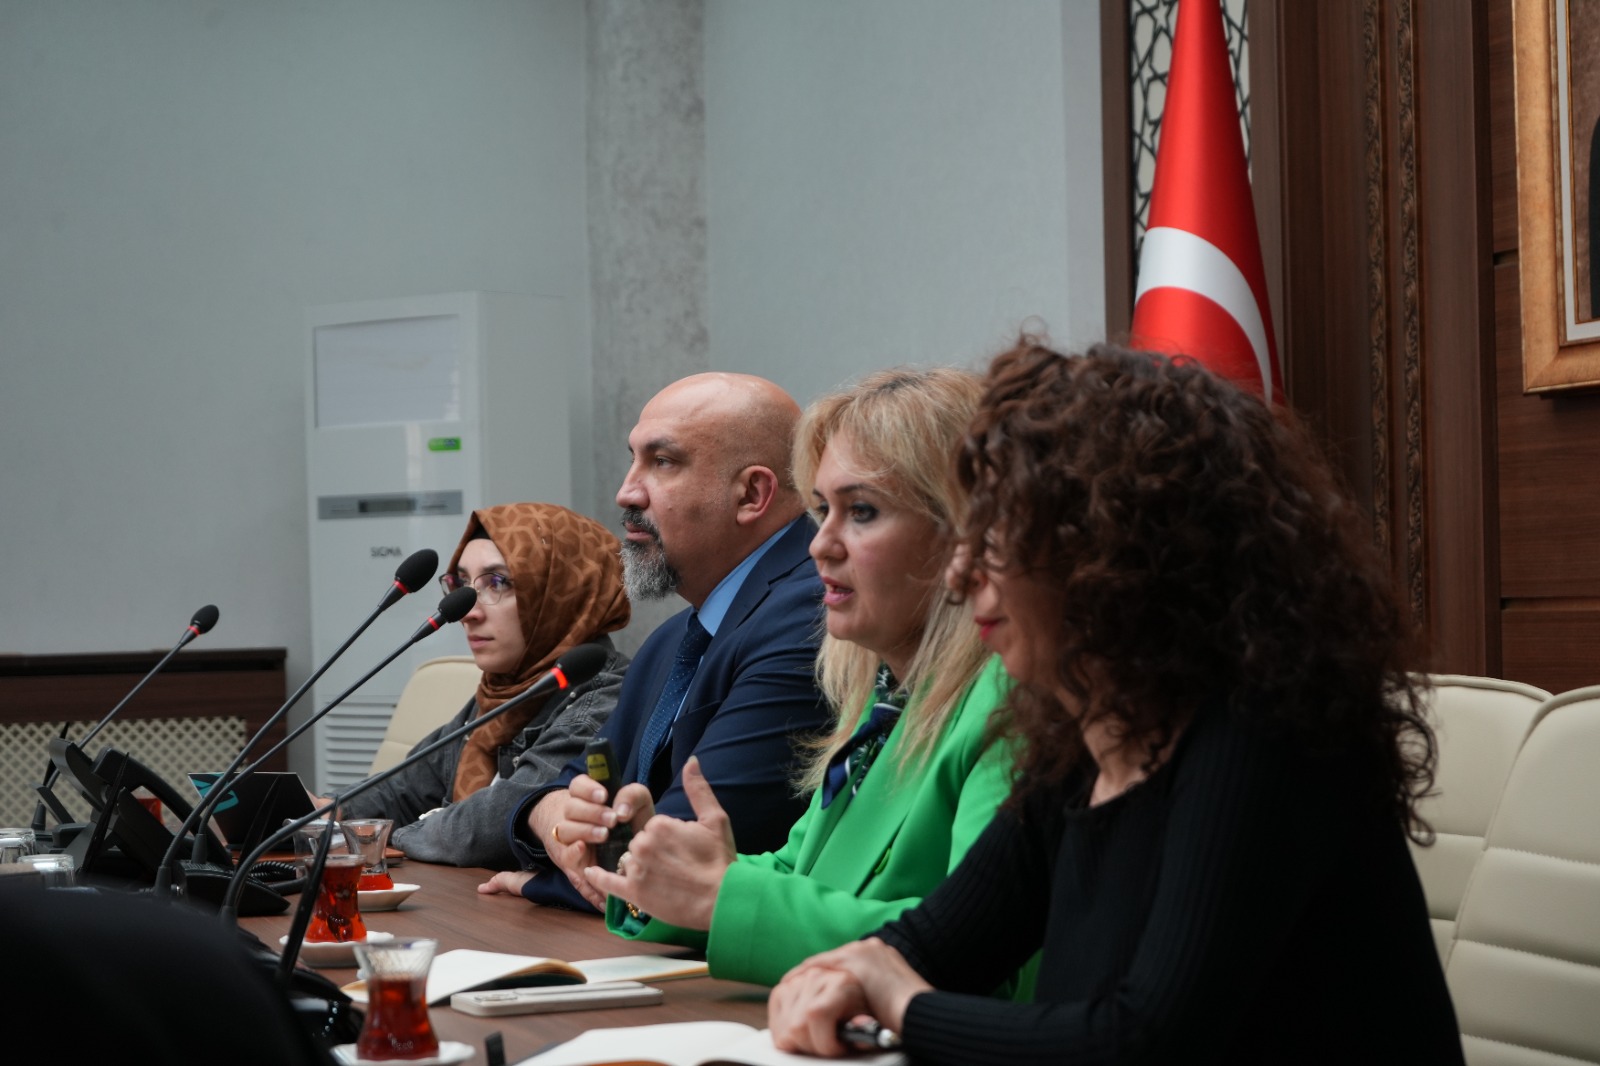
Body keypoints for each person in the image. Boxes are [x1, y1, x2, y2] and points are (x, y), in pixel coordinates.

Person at [767, 339, 1465, 1063]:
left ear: (1114, 554)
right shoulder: (1080, 744)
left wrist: (903, 1004)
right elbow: (932, 946)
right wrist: (842, 976)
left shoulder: (1266, 738)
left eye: (997, 539)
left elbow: (1145, 1043)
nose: (959, 574)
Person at [582, 367, 1028, 991]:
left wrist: (724, 894)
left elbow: (976, 945)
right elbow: (801, 873)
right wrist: (662, 869)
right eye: (822, 510)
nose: (820, 545)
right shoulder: (885, 696)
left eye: (861, 511)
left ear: (961, 534)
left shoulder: (1013, 706)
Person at [482, 372, 833, 912]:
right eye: (633, 459)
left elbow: (679, 861)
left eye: (663, 462)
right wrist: (546, 814)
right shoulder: (672, 639)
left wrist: (539, 882)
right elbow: (582, 783)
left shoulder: (811, 617)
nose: (626, 492)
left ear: (752, 494)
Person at [335, 502, 631, 869]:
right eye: (461, 584)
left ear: (565, 590)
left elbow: (487, 829)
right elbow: (403, 790)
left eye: (497, 582)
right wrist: (321, 812)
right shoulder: (502, 691)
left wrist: (392, 834)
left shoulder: (605, 697)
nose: (468, 612)